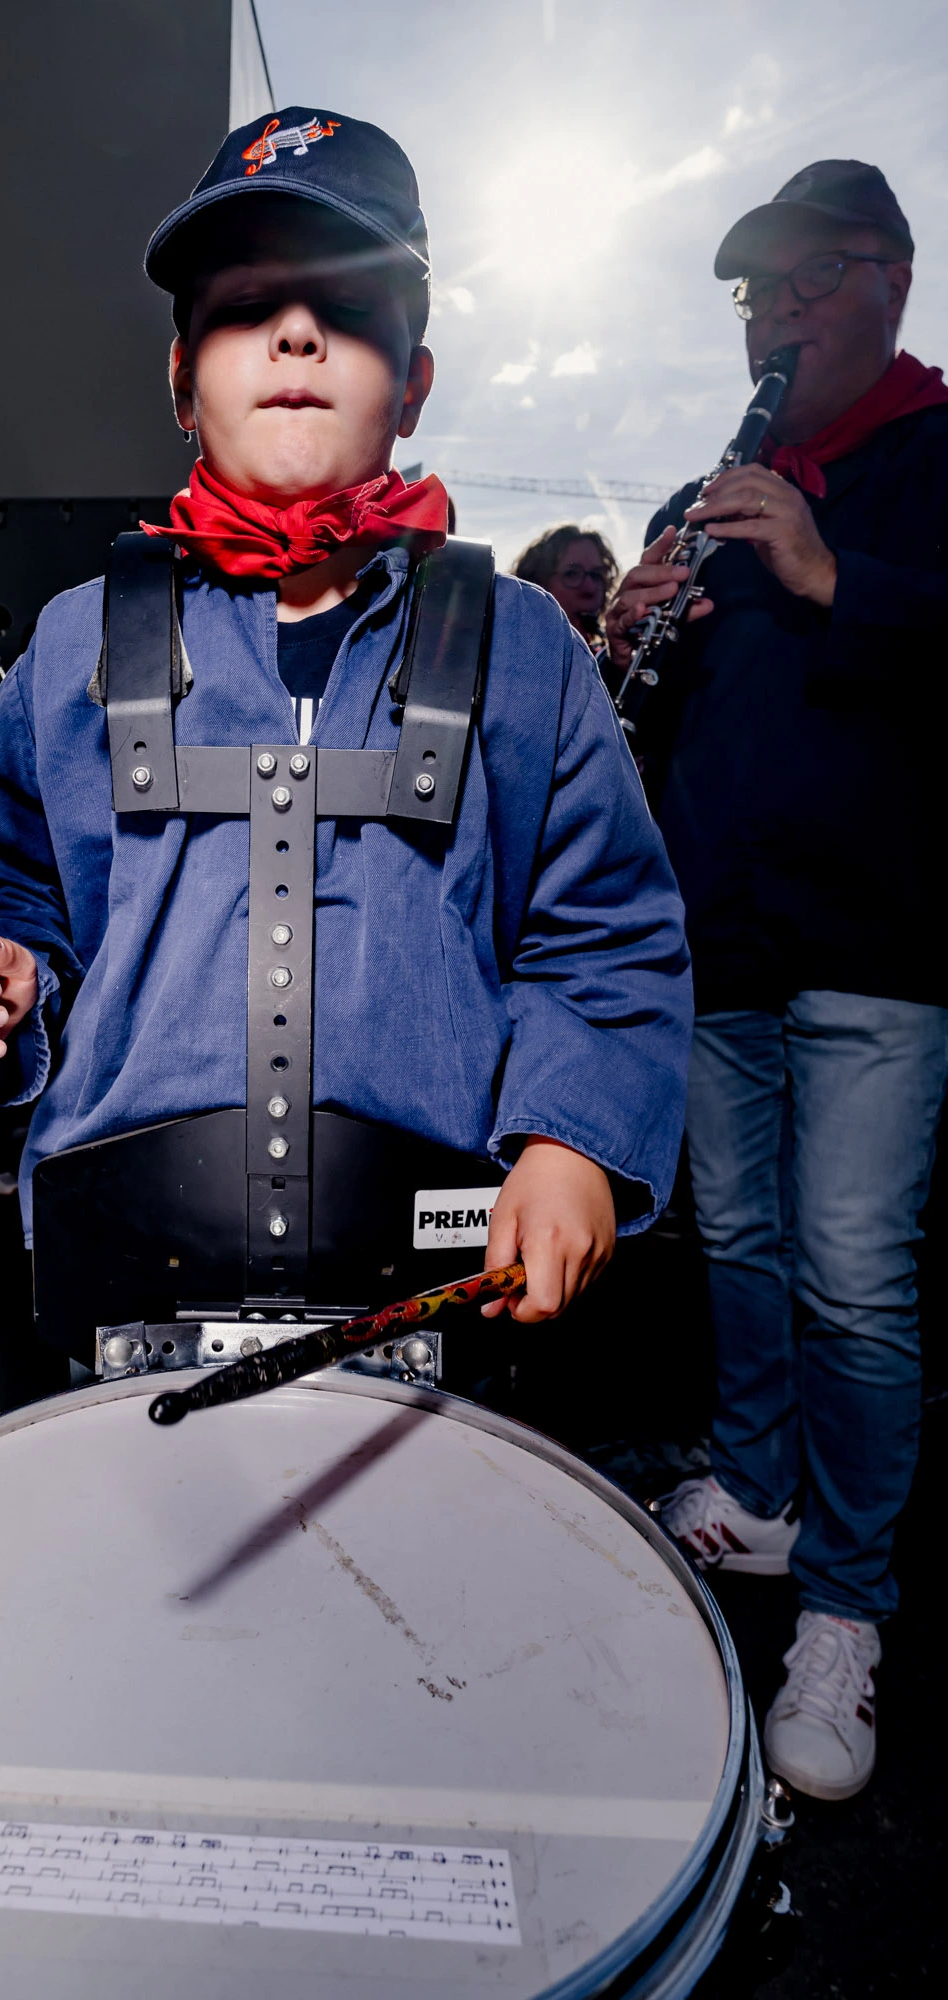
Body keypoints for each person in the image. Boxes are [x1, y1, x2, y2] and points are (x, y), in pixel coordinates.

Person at [0, 107, 690, 1393]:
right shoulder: (73, 646)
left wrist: (574, 1143)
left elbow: (605, 938)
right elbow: (5, 903)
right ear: (177, 379)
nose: (295, 333)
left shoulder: (524, 647)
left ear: (416, 377)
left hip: (437, 1305)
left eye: (346, 305)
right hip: (115, 1287)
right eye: (246, 304)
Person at [605, 160, 948, 1801]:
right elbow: (677, 727)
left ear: (885, 277)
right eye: (754, 293)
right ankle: (754, 1484)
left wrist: (825, 574)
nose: (776, 317)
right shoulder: (705, 490)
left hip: (878, 938)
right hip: (720, 937)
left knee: (851, 1275)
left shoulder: (939, 451)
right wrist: (631, 642)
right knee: (732, 1235)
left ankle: (847, 1609)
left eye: (806, 282)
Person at [511, 522, 617, 649]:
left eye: (596, 575)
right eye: (571, 574)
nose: (590, 588)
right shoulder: (508, 656)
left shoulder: (607, 658)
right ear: (537, 583)